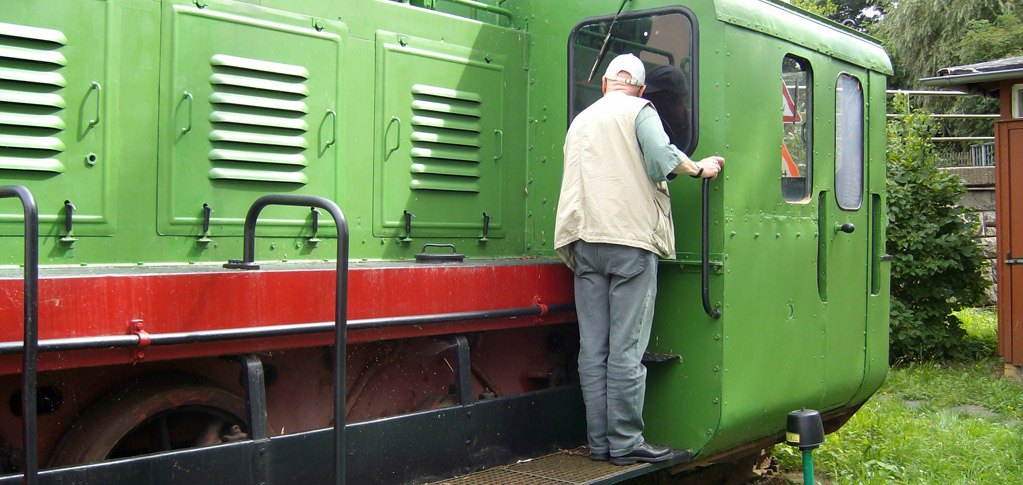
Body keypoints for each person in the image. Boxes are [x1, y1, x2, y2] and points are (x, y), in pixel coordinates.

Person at [553, 54, 725, 466]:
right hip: (628, 241)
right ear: (642, 89)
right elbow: (663, 158)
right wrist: (702, 168)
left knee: (593, 349)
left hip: (583, 241)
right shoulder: (638, 110)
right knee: (626, 348)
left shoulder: (581, 119)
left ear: (605, 83)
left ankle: (599, 443)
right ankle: (626, 443)